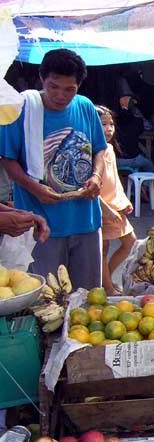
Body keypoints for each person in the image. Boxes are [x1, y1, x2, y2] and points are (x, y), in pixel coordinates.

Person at [0, 49, 107, 290]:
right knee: (46, 299)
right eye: (54, 86)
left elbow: (99, 149)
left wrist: (97, 176)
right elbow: (8, 160)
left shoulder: (85, 107)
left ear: (78, 86)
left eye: (70, 89)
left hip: (86, 220)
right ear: (41, 79)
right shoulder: (21, 109)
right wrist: (35, 188)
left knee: (88, 297)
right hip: (41, 224)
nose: (61, 95)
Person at [95, 105, 137, 296]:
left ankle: (107, 279)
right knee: (102, 251)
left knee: (131, 242)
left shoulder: (109, 149)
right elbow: (91, 187)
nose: (109, 128)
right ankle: (108, 288)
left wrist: (124, 200)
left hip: (115, 207)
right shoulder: (92, 152)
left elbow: (114, 180)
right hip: (100, 208)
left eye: (111, 124)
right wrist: (105, 209)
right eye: (103, 124)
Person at [114, 95, 154, 173]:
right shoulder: (138, 121)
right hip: (133, 159)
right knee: (151, 167)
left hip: (116, 160)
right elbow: (141, 131)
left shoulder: (113, 121)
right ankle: (144, 185)